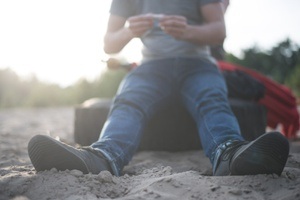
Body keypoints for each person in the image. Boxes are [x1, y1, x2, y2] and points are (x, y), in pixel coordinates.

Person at [28, 0, 289, 176]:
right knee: (128, 103)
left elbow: (218, 31)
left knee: (212, 100)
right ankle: (103, 157)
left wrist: (187, 31)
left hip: (198, 63)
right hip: (150, 66)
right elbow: (109, 43)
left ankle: (229, 154)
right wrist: (129, 30)